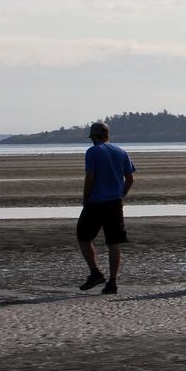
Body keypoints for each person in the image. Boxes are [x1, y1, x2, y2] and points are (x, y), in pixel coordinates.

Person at [77, 122, 135, 295]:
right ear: (107, 135)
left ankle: (95, 272)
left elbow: (90, 177)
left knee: (83, 236)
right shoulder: (121, 151)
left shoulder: (93, 152)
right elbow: (130, 179)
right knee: (113, 243)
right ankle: (113, 282)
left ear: (94, 136)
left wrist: (85, 198)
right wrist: (120, 195)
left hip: (96, 202)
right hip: (114, 203)